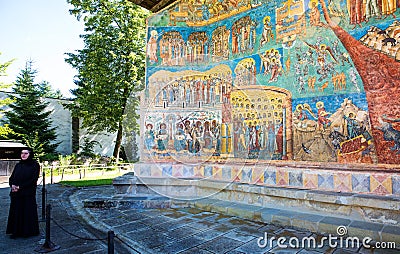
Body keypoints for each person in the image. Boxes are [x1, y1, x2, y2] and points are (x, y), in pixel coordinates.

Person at [6, 148, 40, 239]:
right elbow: (12, 177)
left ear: (30, 154)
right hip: (16, 193)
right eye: (22, 153)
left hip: (27, 193)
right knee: (16, 212)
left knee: (26, 212)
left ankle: (27, 232)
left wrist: (20, 187)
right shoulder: (18, 165)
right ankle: (15, 231)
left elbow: (33, 180)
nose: (23, 155)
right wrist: (12, 185)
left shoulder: (35, 165)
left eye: (26, 153)